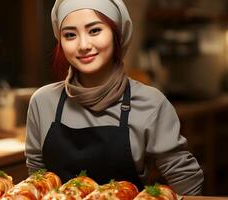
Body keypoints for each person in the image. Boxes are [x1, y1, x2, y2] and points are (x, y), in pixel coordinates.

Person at [25, 0, 204, 195]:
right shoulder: (42, 102)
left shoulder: (151, 103)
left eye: (94, 31)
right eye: (70, 35)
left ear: (116, 34)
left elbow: (186, 179)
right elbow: (38, 178)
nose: (83, 45)